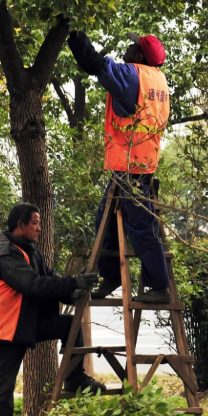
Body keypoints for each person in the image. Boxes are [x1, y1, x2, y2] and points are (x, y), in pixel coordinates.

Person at [0, 202, 105, 416]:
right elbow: (33, 285)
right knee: (2, 393)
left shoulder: (30, 251)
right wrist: (72, 282)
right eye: (35, 223)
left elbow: (49, 279)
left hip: (24, 325)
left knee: (68, 325)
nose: (39, 228)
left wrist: (73, 290)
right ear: (20, 225)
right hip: (3, 332)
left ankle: (74, 379)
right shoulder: (4, 255)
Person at [67, 30, 172, 304]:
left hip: (130, 165)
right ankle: (111, 275)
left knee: (140, 226)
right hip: (142, 163)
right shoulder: (158, 80)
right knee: (104, 218)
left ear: (139, 56)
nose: (126, 48)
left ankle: (160, 285)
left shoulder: (131, 75)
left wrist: (75, 34)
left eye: (132, 46)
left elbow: (95, 64)